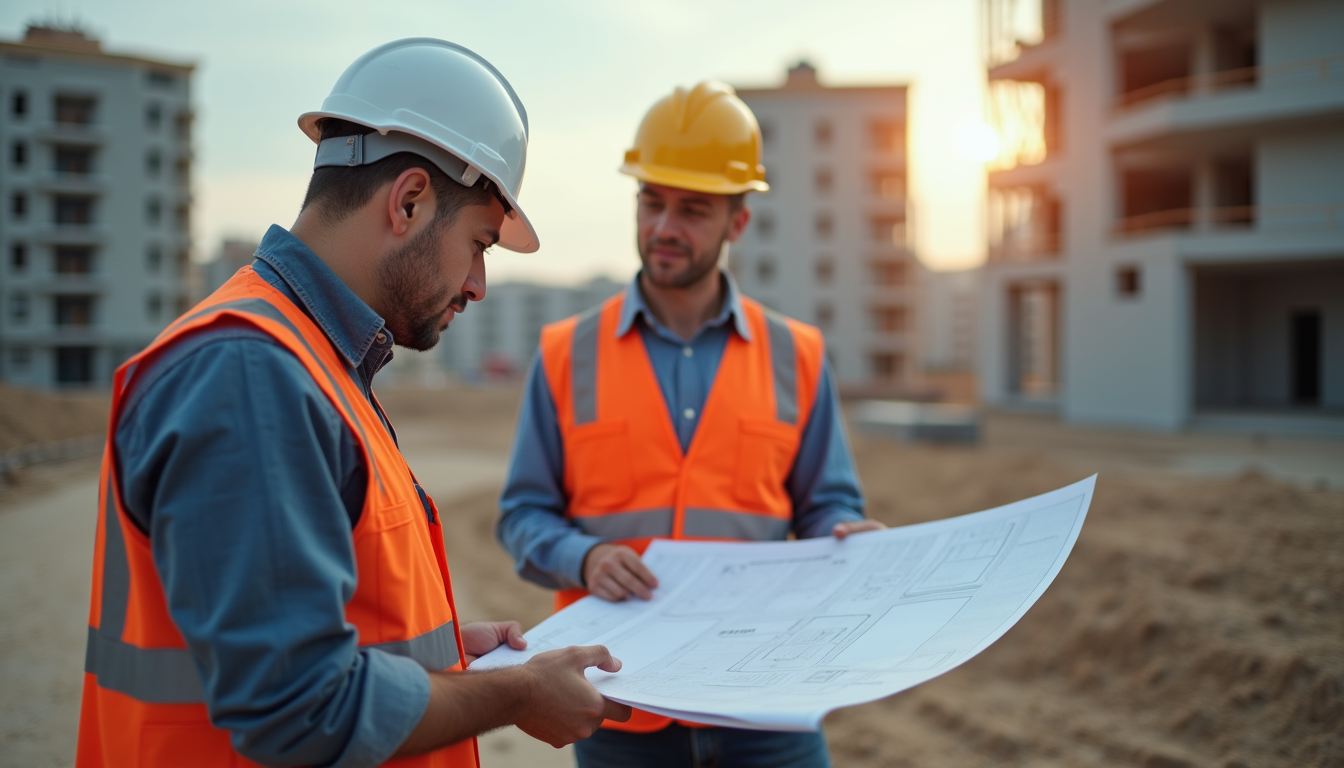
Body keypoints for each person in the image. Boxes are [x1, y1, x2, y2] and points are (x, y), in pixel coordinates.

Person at [76, 39, 630, 768]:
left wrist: (433, 647)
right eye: (479, 243)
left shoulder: (311, 363)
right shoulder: (250, 374)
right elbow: (299, 709)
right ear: (408, 202)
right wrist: (514, 694)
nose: (478, 285)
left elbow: (291, 628)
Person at [496, 81, 884, 768]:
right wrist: (584, 557)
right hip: (618, 704)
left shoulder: (796, 354)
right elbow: (524, 516)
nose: (663, 226)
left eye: (692, 209)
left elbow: (827, 504)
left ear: (738, 222)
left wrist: (845, 539)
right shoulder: (564, 354)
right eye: (651, 201)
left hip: (766, 698)